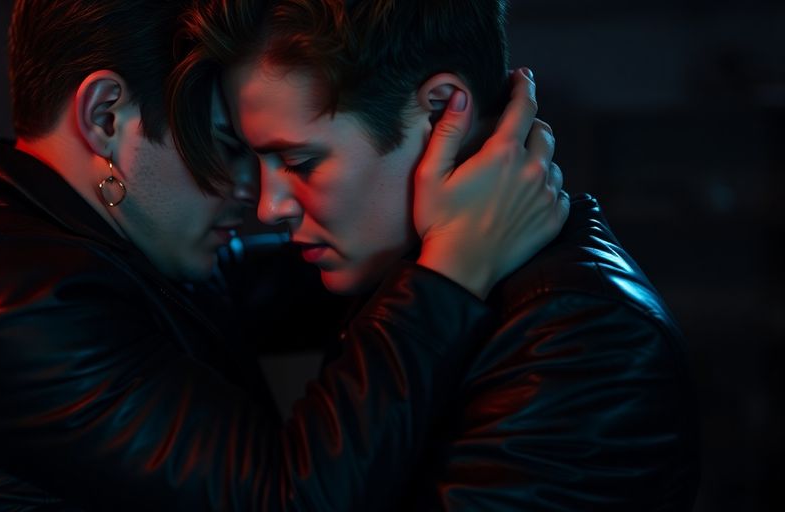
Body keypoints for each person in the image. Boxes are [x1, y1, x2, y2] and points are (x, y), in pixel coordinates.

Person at [0, 0, 566, 509]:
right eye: (229, 147)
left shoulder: (100, 243)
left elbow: (300, 277)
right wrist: (453, 267)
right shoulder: (6, 297)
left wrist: (438, 194)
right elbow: (287, 500)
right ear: (106, 117)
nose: (257, 196)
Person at [169, 0, 699, 509]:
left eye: (301, 162)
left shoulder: (586, 341)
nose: (269, 207)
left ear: (444, 110)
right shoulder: (397, 259)